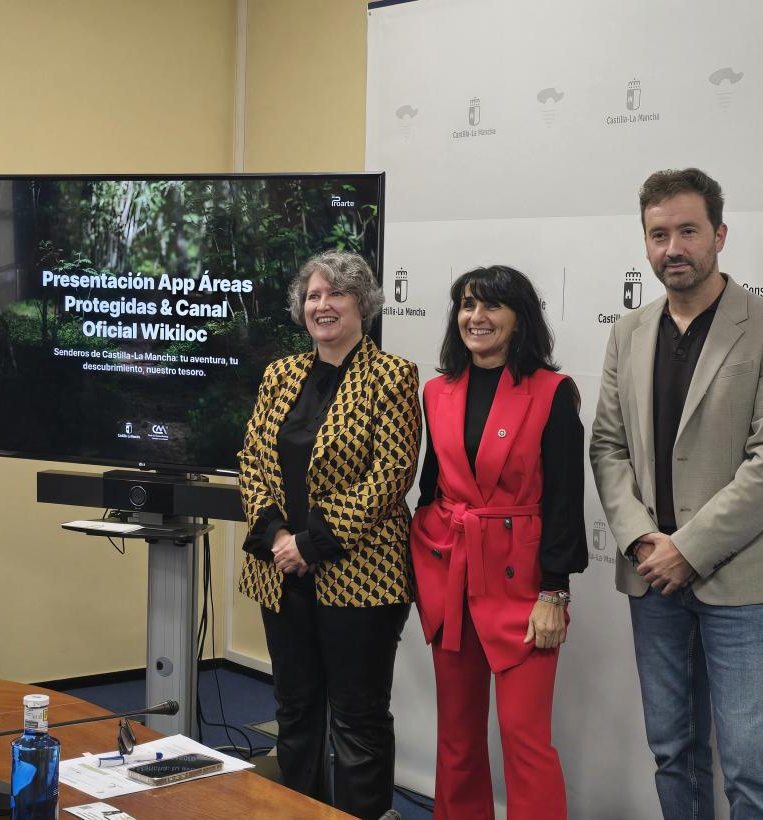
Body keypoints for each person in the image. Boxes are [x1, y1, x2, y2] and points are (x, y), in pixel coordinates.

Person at [590, 168, 763, 820]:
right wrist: (640, 540)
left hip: (742, 582)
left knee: (749, 765)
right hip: (651, 579)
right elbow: (607, 447)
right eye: (658, 235)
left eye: (687, 231)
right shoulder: (627, 333)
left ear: (718, 234)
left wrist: (687, 548)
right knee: (673, 753)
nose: (672, 248)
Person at [236, 250, 420, 820]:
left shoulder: (392, 375)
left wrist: (310, 543)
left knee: (358, 717)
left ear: (361, 304)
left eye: (335, 294)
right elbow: (254, 461)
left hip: (360, 574)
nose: (323, 305)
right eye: (314, 295)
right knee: (294, 710)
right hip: (281, 570)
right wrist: (275, 534)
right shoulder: (280, 374)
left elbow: (391, 476)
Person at [409, 265, 586, 820]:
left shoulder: (552, 392)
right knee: (457, 741)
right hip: (451, 576)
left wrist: (553, 593)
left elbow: (564, 500)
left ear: (519, 318)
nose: (476, 317)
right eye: (466, 304)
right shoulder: (436, 391)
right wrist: (424, 570)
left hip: (525, 587)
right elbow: (432, 486)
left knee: (525, 741)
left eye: (492, 306)